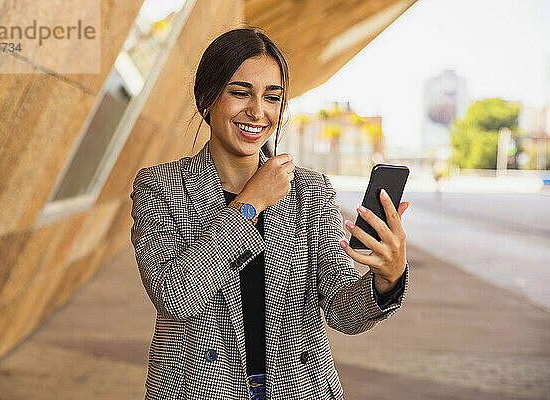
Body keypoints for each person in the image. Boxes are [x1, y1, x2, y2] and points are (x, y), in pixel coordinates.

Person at [130, 27, 410, 400]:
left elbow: (342, 311)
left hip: (302, 389)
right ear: (207, 97)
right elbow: (174, 296)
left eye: (272, 97)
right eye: (240, 92)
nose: (257, 112)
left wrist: (386, 280)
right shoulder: (161, 186)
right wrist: (249, 206)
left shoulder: (310, 191)